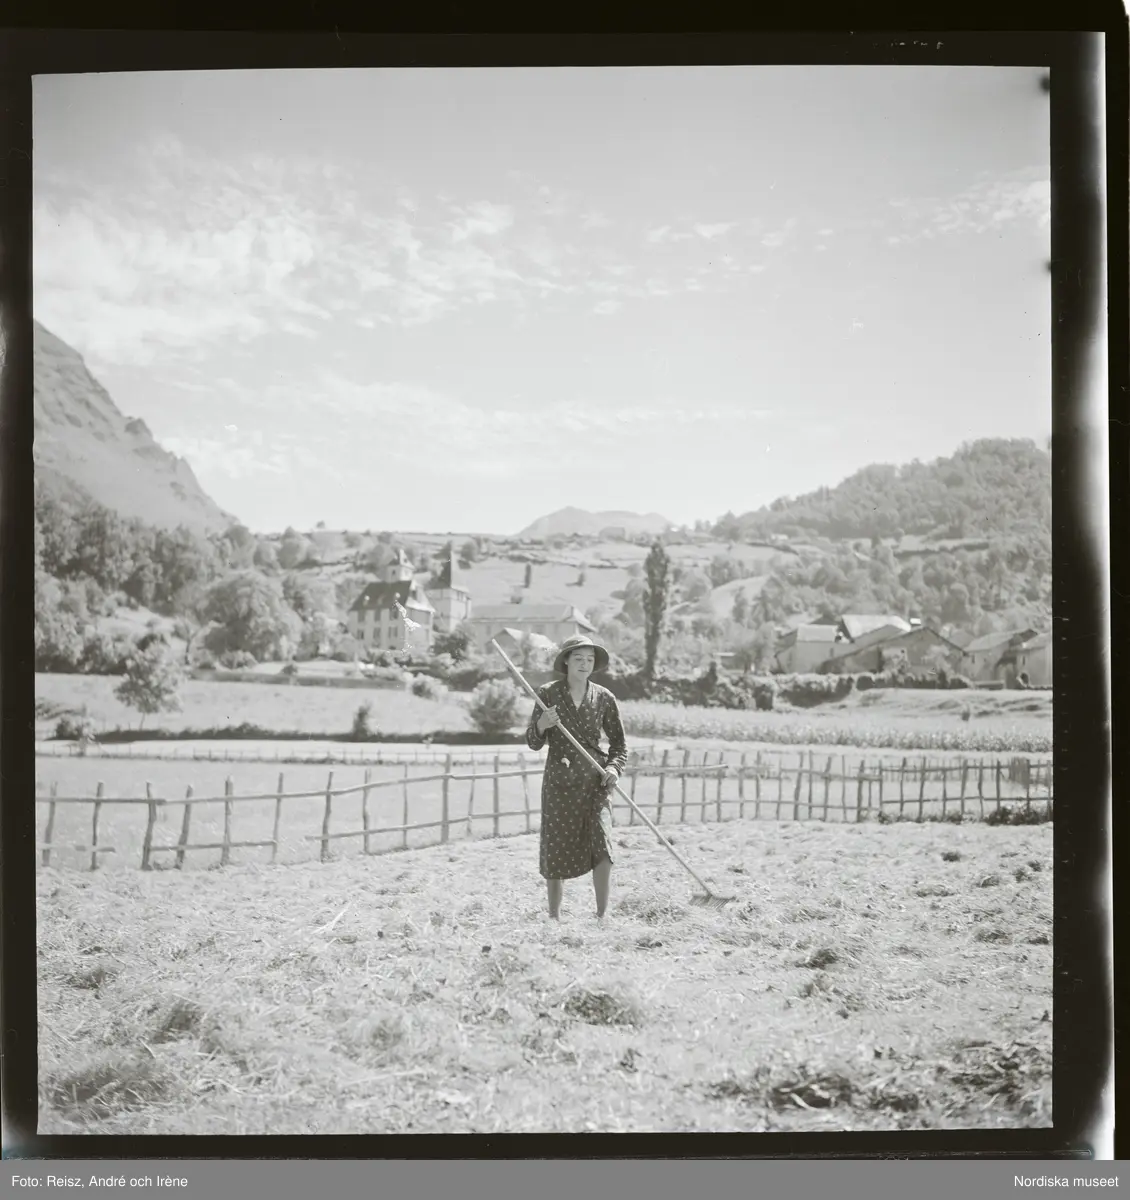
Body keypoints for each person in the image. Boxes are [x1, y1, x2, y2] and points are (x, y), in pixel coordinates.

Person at [525, 634, 628, 920]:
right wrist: (542, 724)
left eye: (590, 659)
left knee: (603, 846)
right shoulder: (547, 694)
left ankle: (601, 916)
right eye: (579, 658)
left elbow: (619, 746)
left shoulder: (604, 697)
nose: (585, 664)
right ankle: (554, 917)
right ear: (566, 661)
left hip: (596, 782)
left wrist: (613, 769)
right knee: (556, 848)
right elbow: (532, 742)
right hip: (560, 783)